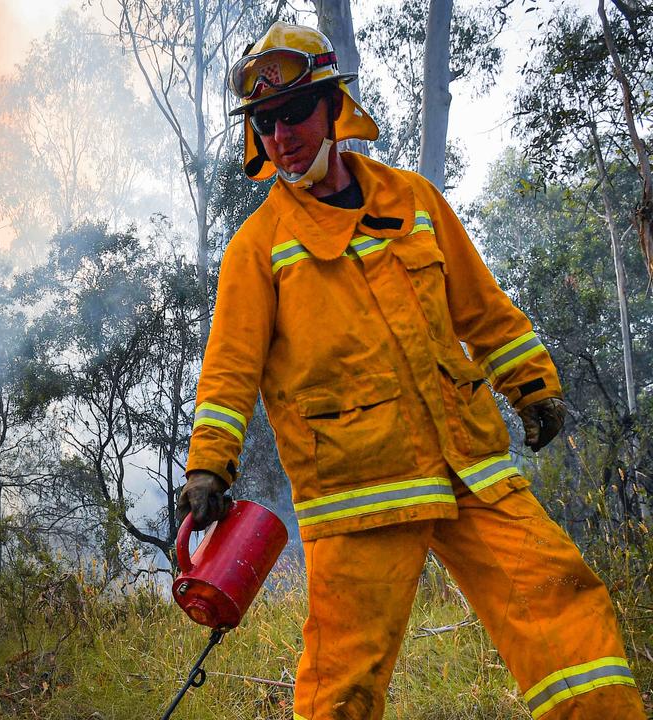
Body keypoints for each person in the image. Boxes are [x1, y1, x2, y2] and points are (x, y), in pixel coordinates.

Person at [176, 21, 646, 720]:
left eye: (294, 111)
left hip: (469, 466)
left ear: (335, 106)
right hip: (359, 486)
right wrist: (208, 467)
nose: (280, 135)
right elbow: (230, 368)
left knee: (560, 605)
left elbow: (482, 310)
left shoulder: (413, 202)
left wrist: (531, 383)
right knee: (343, 685)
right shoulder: (258, 248)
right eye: (265, 122)